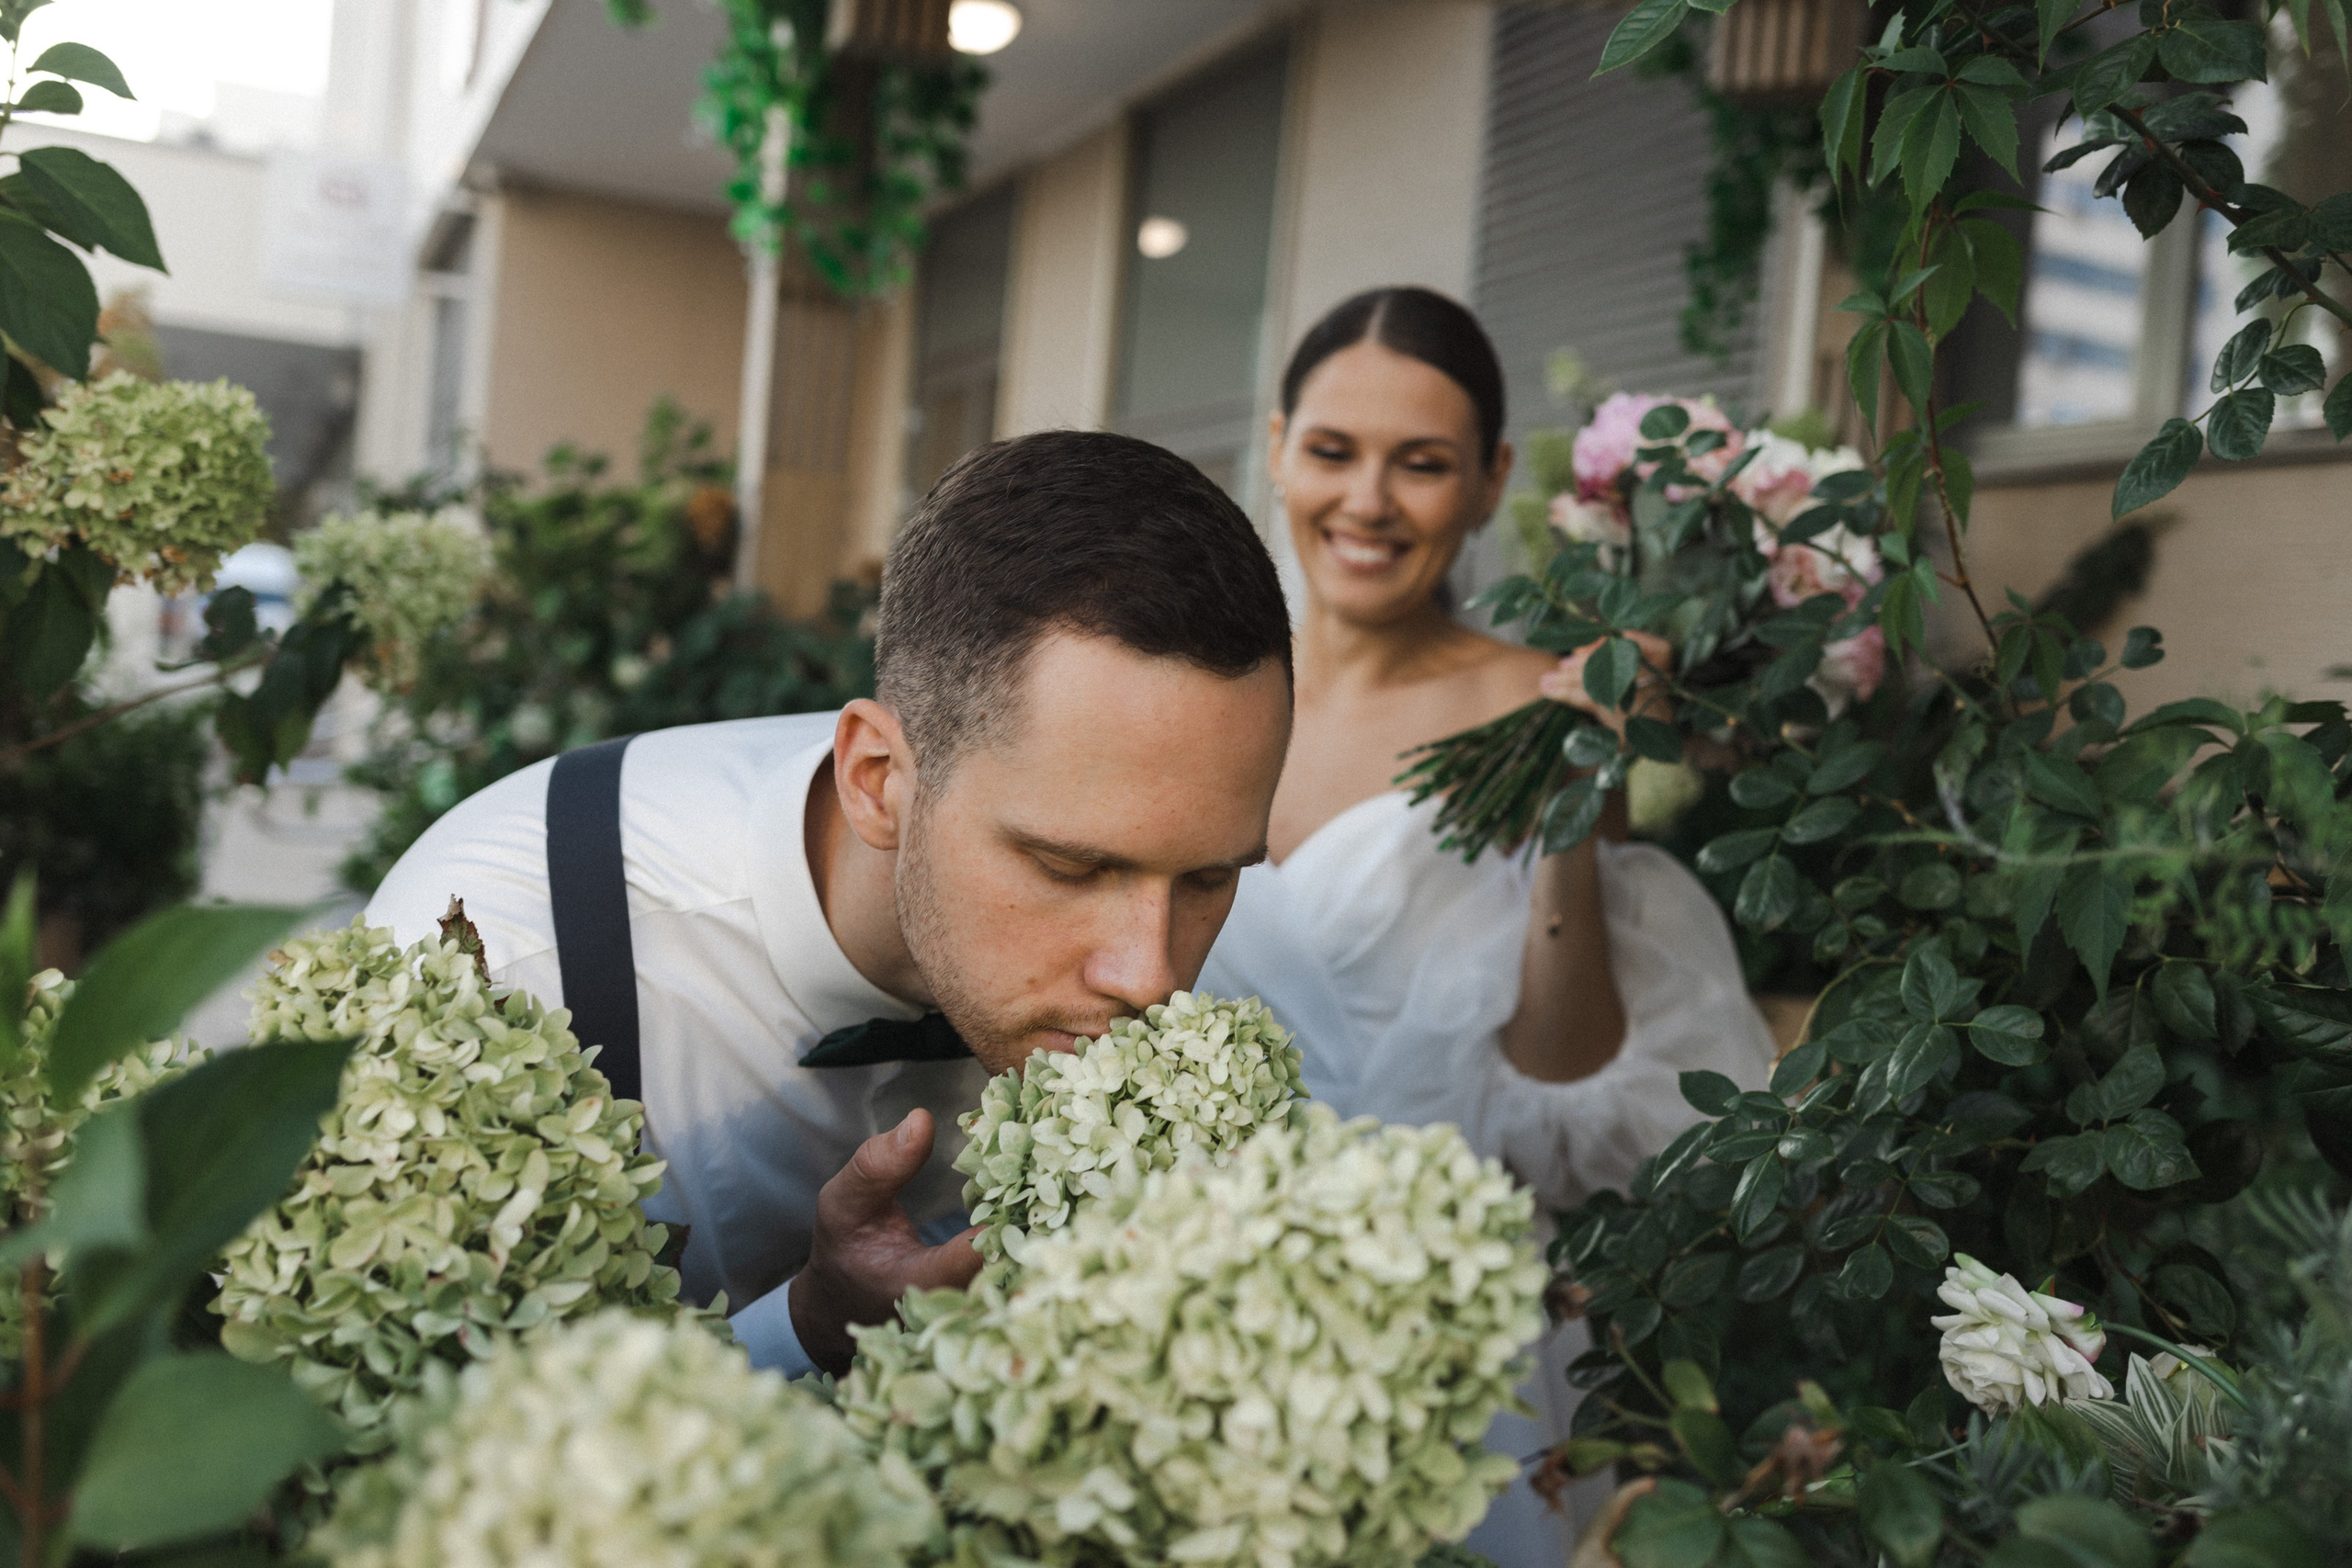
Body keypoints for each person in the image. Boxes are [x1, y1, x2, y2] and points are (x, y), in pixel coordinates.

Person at [366, 430, 1294, 1380]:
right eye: (1069, 866)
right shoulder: (504, 963)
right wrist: (806, 1329)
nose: (1152, 978)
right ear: (878, 780)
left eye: (1209, 879)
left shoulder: (1206, 923)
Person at [1196, 287, 1775, 1563]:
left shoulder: (1542, 706)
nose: (1367, 501)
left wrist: (1572, 803)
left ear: (1489, 481)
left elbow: (1570, 1079)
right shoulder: (1200, 692)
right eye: (1332, 450)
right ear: (1278, 447)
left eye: (1421, 464)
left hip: (1442, 1300)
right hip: (1196, 1266)